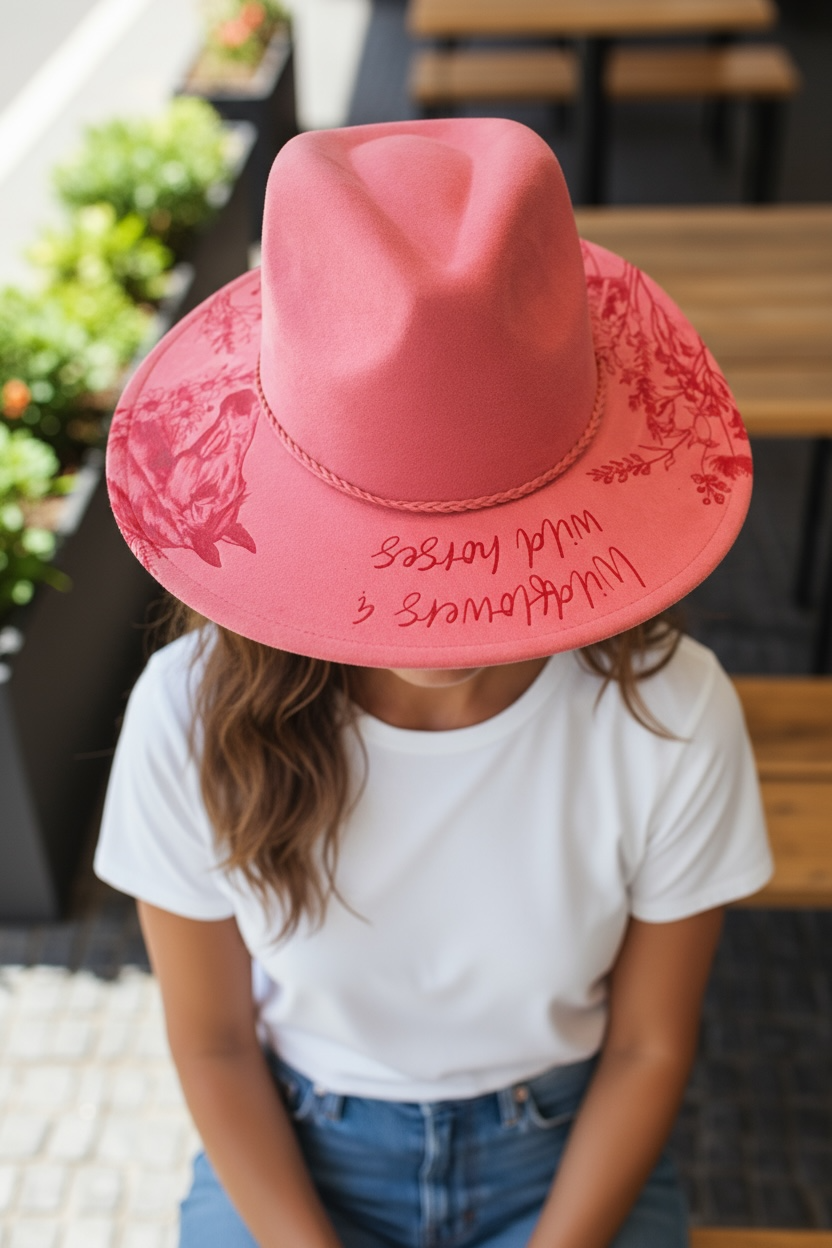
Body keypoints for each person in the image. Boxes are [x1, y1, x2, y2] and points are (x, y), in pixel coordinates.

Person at [94, 117, 773, 1248]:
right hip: (298, 1147)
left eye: (487, 508)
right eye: (386, 522)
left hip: (564, 1150)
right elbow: (212, 1043)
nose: (433, 607)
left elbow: (652, 1044)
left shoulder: (671, 714)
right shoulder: (187, 710)